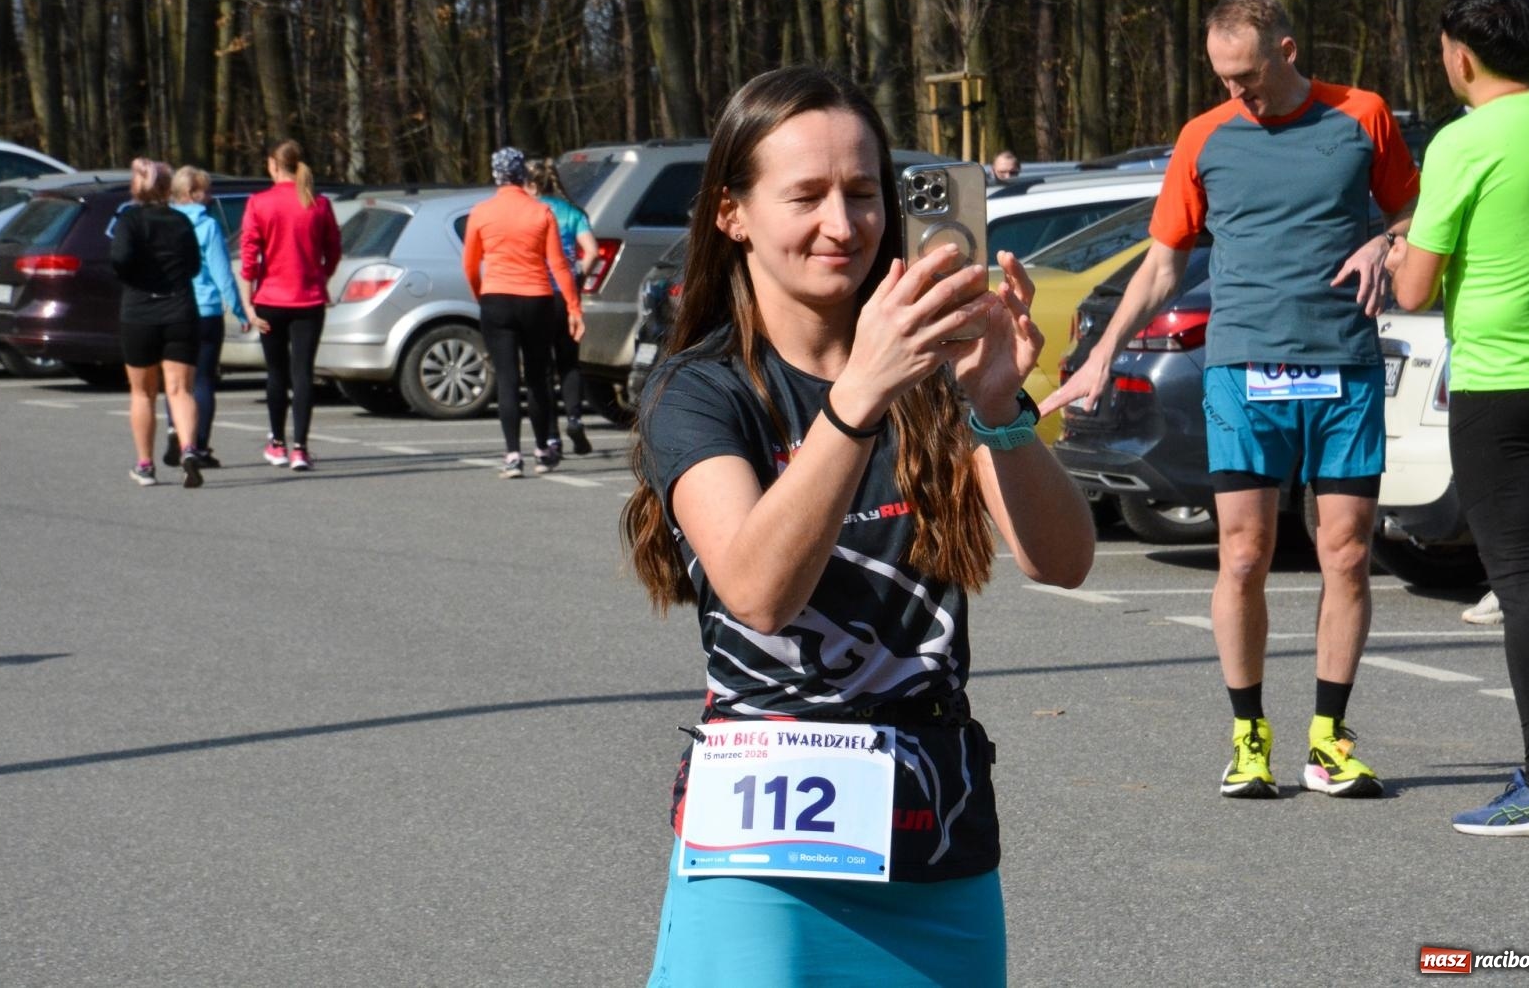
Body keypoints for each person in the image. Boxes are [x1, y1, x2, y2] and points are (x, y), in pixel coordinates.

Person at [623, 66, 1094, 986]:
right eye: (805, 196)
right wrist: (859, 398)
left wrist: (997, 404)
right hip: (761, 865)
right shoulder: (698, 391)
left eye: (864, 193)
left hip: (935, 846)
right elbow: (759, 592)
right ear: (732, 213)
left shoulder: (934, 376)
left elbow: (1064, 561)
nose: (842, 225)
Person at [1050, 0, 1419, 800]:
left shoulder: (1364, 114)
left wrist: (1384, 245)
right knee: (1244, 554)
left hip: (1345, 366)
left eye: (1246, 76)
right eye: (1222, 79)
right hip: (1243, 368)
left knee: (1348, 554)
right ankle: (1249, 734)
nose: (1236, 93)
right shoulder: (1203, 138)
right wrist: (1103, 353)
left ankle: (1329, 740)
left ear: (1286, 53)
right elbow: (1162, 263)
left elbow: (1414, 213)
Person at [1387, 0, 1529, 836]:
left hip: (1503, 389)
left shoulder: (1464, 144)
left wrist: (1400, 246)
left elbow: (1416, 286)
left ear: (1457, 54)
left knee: (1525, 577)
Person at [462, 147, 585, 479]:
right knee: (537, 377)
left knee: (506, 378)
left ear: (496, 175)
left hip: (496, 297)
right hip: (536, 298)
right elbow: (558, 265)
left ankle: (512, 455)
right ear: (522, 176)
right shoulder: (540, 211)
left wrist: (481, 294)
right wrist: (573, 306)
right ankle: (543, 450)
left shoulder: (481, 212)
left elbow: (470, 264)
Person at [240, 139, 341, 472]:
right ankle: (300, 448)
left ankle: (278, 445)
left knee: (276, 373)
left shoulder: (259, 203)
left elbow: (249, 257)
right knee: (302, 373)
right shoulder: (318, 203)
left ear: (272, 164)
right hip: (308, 299)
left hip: (270, 298)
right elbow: (334, 251)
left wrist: (248, 303)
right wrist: (319, 276)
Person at [110, 157, 205, 489]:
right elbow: (194, 265)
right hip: (180, 310)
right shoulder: (181, 221)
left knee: (143, 392)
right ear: (167, 188)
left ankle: (145, 465)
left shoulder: (129, 220)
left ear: (136, 187)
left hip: (139, 313)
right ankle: (191, 449)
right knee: (180, 390)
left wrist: (134, 277)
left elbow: (119, 259)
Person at [163, 166, 253, 470]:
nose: (211, 197)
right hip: (205, 309)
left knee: (175, 380)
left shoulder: (166, 222)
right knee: (201, 379)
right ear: (191, 194)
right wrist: (239, 309)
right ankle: (198, 445)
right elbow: (221, 273)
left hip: (172, 308)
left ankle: (174, 429)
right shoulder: (208, 226)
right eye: (206, 191)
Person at [525, 155, 597, 457]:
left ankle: (551, 435)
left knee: (540, 368)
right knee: (569, 362)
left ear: (529, 185)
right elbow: (592, 251)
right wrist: (577, 273)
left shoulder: (530, 212)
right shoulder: (571, 212)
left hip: (536, 292)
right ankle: (575, 418)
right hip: (567, 294)